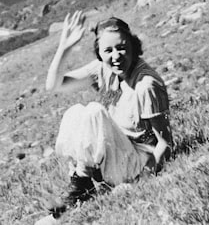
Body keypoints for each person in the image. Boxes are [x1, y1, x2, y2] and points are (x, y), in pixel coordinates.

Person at [44, 11, 173, 216]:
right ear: (100, 53)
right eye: (108, 50)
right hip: (114, 154)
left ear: (133, 46)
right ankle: (82, 182)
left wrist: (146, 178)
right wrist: (64, 47)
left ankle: (81, 186)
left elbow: (165, 143)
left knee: (94, 111)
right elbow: (54, 86)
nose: (116, 56)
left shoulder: (147, 84)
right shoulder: (103, 69)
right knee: (76, 111)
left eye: (122, 48)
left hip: (137, 162)